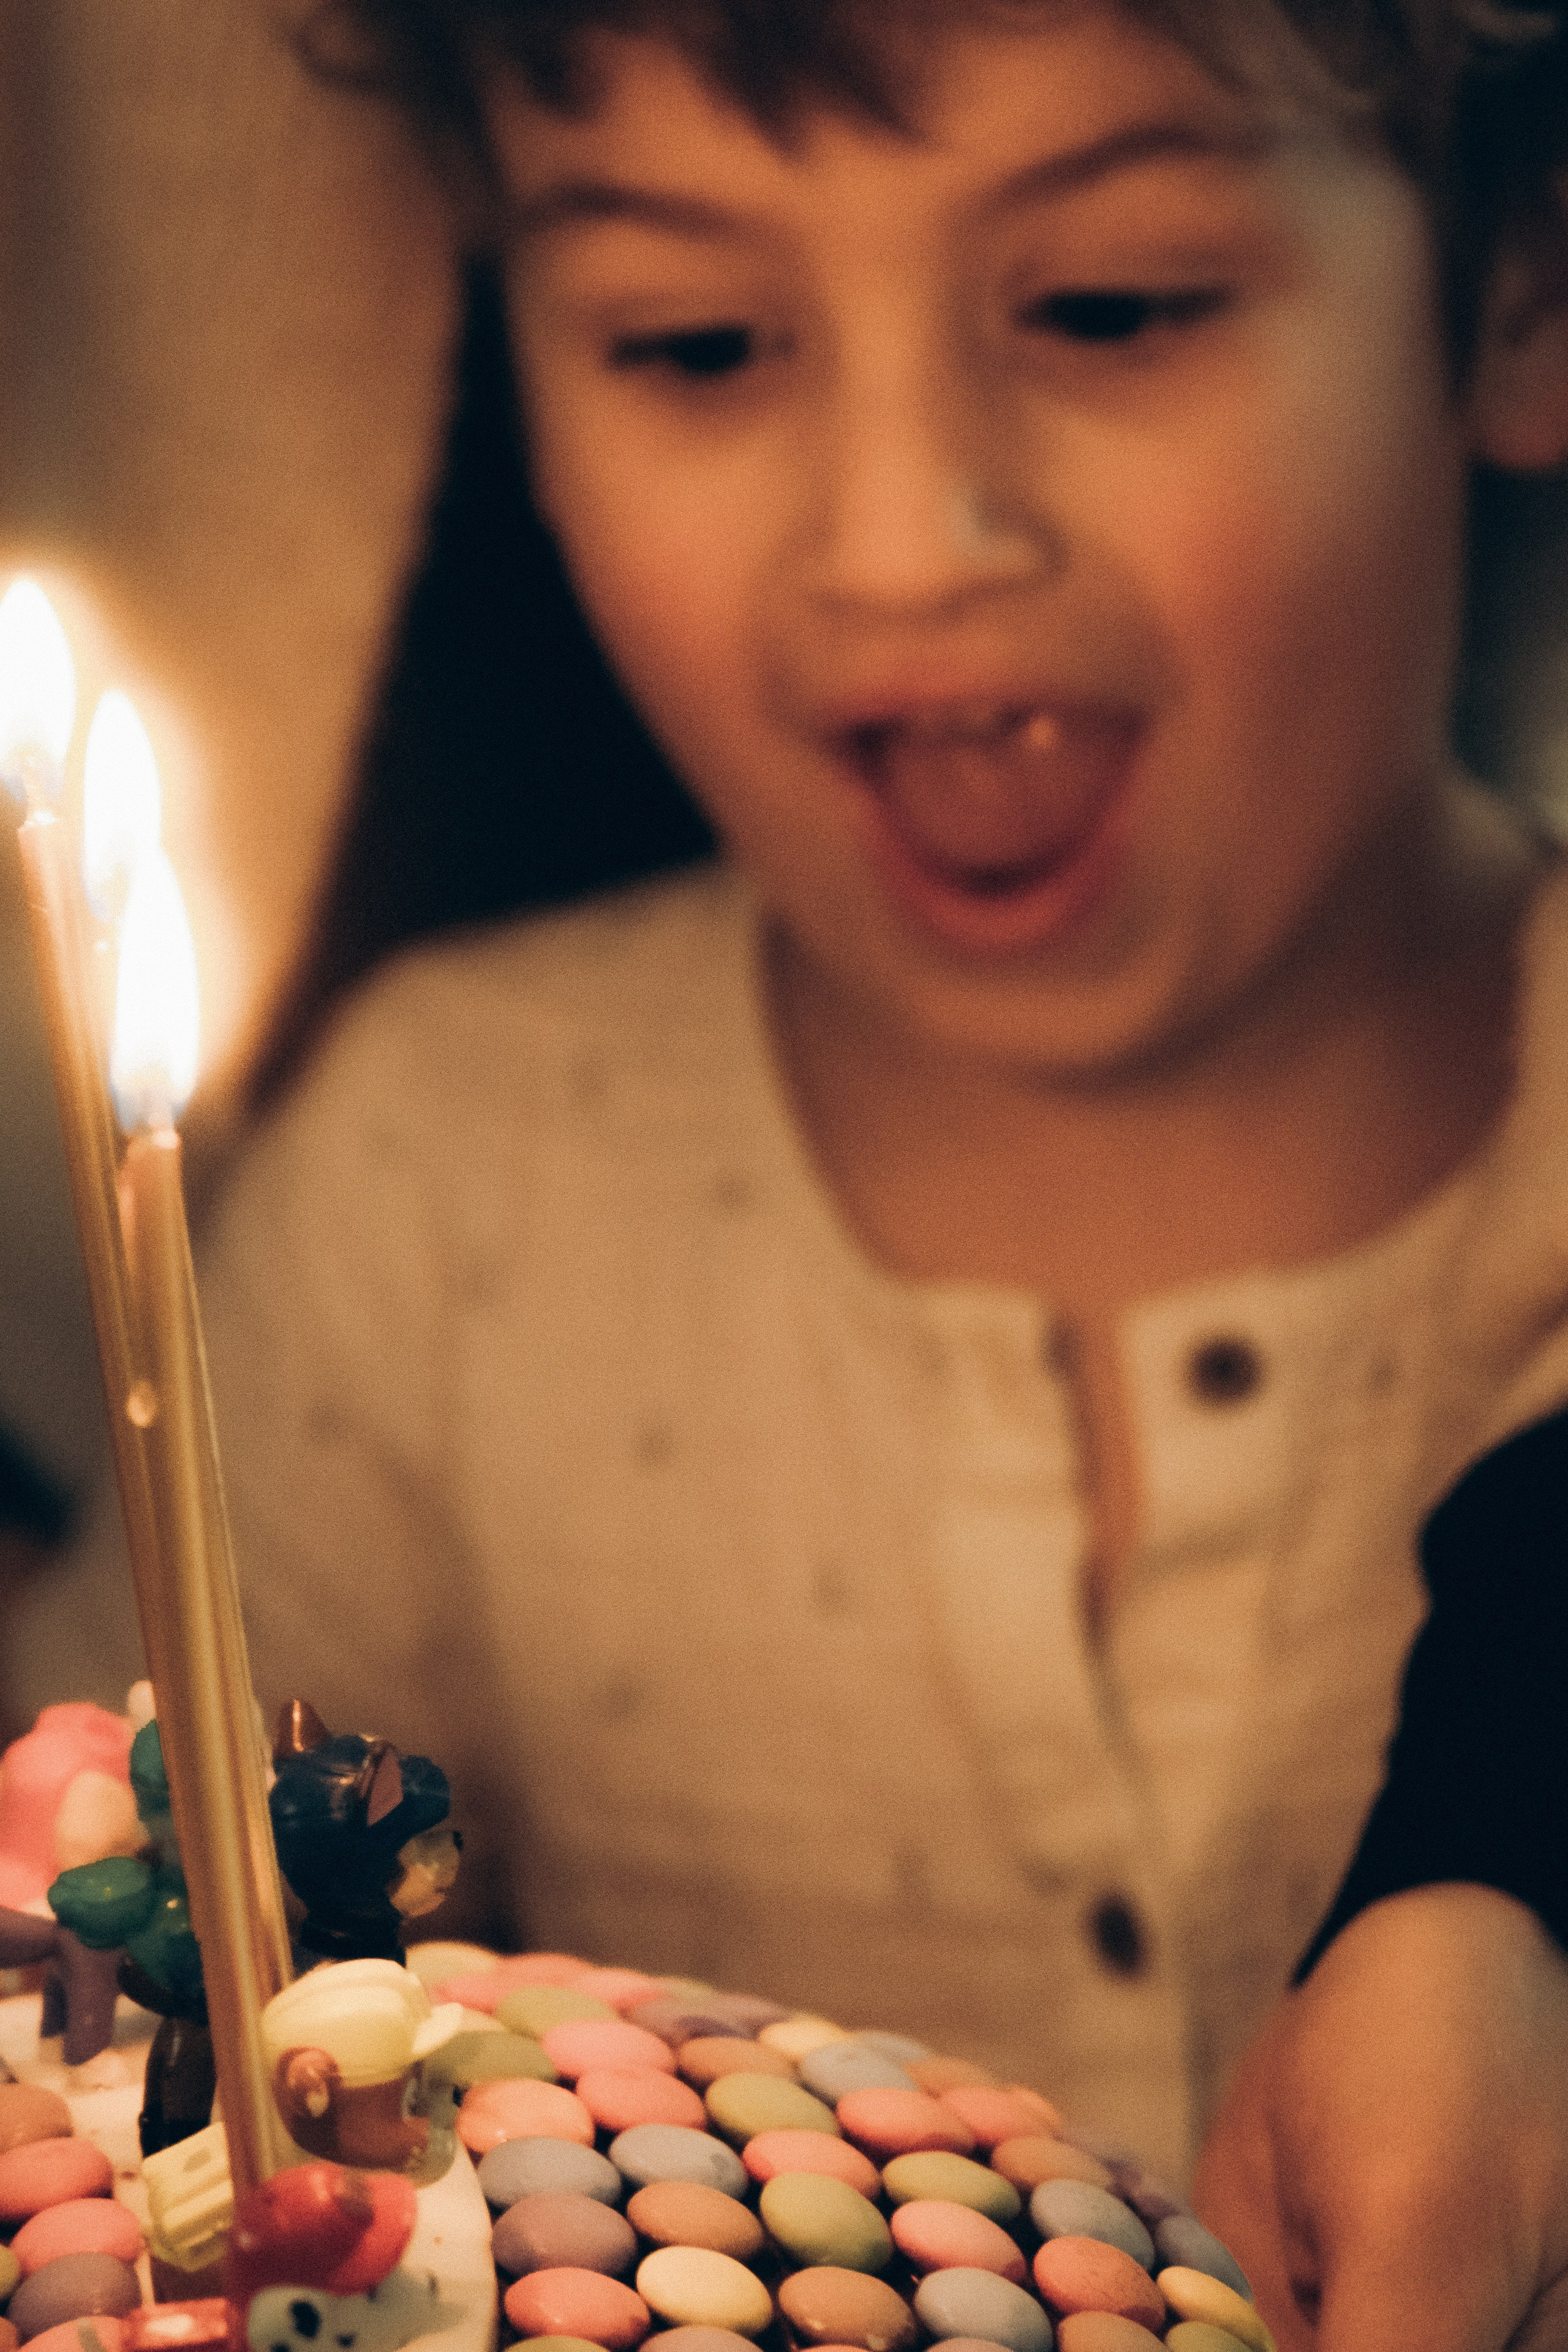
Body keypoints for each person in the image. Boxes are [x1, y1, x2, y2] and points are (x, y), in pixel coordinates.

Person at [12, 0, 1568, 2337]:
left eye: (1110, 304)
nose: (901, 540)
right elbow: (137, 1987)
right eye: (701, 337)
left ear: (1524, 295)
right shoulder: (437, 1204)